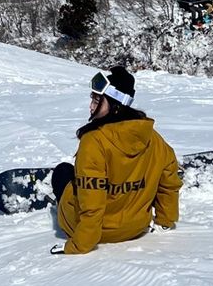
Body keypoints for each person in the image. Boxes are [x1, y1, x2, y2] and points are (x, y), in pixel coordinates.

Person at [47, 66, 181, 255]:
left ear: (115, 104)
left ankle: (58, 198)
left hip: (98, 232)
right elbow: (169, 182)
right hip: (135, 228)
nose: (91, 106)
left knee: (62, 172)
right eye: (91, 99)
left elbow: (92, 202)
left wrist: (79, 244)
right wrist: (166, 221)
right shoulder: (152, 137)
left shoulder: (94, 141)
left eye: (97, 100)